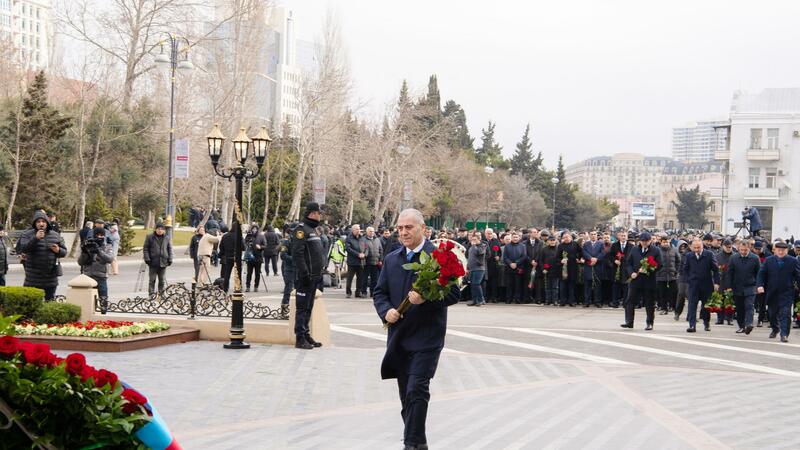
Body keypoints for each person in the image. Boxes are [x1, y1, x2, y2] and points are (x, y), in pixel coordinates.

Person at [372, 209, 460, 450]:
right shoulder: (392, 258)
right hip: (400, 336)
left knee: (416, 389)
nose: (403, 232)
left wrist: (426, 299)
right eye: (400, 228)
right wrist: (386, 310)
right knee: (405, 395)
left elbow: (454, 293)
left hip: (427, 337)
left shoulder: (439, 257)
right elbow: (380, 293)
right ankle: (418, 442)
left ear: (423, 229)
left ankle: (411, 444)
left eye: (408, 227)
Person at [291, 202, 327, 349]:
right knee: (302, 307)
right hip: (305, 277)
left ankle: (306, 334)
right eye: (319, 213)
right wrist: (304, 273)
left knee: (308, 307)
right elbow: (297, 253)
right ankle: (300, 338)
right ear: (312, 213)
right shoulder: (301, 230)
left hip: (315, 276)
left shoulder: (313, 230)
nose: (320, 216)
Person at [15, 211, 67, 300]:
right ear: (35, 223)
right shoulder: (27, 234)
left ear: (47, 222)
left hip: (50, 278)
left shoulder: (55, 235)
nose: (41, 224)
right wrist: (35, 238)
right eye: (38, 222)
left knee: (49, 303)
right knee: (32, 305)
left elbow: (64, 252)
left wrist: (58, 250)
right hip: (33, 279)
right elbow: (23, 249)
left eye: (43, 221)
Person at [757, 241, 800, 342]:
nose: (781, 252)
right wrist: (759, 285)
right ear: (775, 250)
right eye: (779, 250)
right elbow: (761, 274)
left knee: (785, 314)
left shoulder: (793, 261)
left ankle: (784, 334)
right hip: (772, 292)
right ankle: (775, 328)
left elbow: (798, 276)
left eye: (783, 251)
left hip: (787, 292)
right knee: (772, 314)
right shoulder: (768, 260)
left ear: (787, 250)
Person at [621, 232, 662, 330]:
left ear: (650, 241)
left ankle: (649, 323)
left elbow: (660, 265)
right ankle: (629, 321)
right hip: (636, 280)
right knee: (630, 301)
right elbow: (628, 263)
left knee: (649, 303)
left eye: (646, 241)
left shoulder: (656, 250)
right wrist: (631, 273)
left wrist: (648, 269)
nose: (644, 243)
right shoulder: (635, 249)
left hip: (649, 280)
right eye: (642, 241)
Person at [682, 238, 720, 333]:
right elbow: (685, 269)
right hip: (693, 284)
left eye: (698, 247)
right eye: (694, 248)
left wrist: (716, 283)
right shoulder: (689, 255)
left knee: (706, 306)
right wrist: (688, 279)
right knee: (692, 305)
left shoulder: (709, 254)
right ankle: (692, 325)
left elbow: (716, 270)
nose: (697, 249)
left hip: (706, 284)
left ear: (702, 246)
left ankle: (706, 323)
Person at [725, 240, 761, 335]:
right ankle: (741, 326)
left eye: (745, 250)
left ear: (749, 248)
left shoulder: (755, 258)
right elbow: (729, 273)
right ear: (738, 249)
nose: (743, 252)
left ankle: (749, 324)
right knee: (740, 308)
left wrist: (758, 285)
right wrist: (729, 286)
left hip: (750, 286)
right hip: (737, 287)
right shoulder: (733, 258)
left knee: (749, 306)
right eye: (741, 250)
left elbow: (759, 273)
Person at [78, 227, 114, 299]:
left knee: (103, 298)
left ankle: (103, 310)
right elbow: (80, 262)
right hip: (88, 276)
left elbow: (110, 259)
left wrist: (99, 251)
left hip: (101, 276)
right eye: (98, 235)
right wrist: (85, 252)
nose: (100, 237)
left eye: (102, 235)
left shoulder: (107, 246)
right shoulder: (89, 245)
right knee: (88, 299)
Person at [142, 223, 172, 297]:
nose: (160, 230)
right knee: (152, 280)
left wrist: (170, 258)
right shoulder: (150, 237)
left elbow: (169, 249)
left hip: (163, 262)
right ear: (155, 229)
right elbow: (145, 248)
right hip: (153, 262)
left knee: (162, 280)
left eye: (162, 229)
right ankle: (151, 293)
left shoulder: (167, 237)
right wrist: (147, 258)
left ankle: (161, 293)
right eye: (158, 229)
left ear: (164, 230)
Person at [656, 234, 680, 315]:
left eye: (667, 242)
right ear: (661, 242)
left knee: (674, 292)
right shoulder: (658, 250)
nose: (666, 243)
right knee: (662, 293)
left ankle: (673, 307)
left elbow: (678, 261)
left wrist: (676, 270)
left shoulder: (674, 250)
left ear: (670, 241)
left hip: (672, 275)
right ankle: (664, 308)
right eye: (664, 242)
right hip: (661, 275)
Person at [502, 231, 529, 304]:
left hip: (518, 268)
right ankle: (509, 298)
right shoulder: (507, 246)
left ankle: (517, 298)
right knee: (509, 284)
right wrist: (510, 263)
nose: (515, 238)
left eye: (516, 237)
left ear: (519, 238)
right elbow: (505, 257)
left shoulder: (522, 246)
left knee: (518, 285)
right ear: (511, 238)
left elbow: (524, 256)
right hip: (509, 268)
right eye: (514, 237)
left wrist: (516, 263)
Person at [608, 230, 632, 308]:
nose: (623, 237)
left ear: (627, 237)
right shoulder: (614, 245)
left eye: (624, 236)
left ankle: (625, 303)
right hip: (616, 269)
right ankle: (615, 302)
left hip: (626, 270)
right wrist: (615, 260)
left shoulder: (631, 246)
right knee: (615, 287)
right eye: (621, 236)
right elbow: (610, 255)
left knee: (626, 287)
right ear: (619, 237)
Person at [556, 231, 580, 307]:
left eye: (567, 237)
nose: (566, 239)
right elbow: (557, 257)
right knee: (562, 286)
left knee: (571, 286)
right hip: (563, 269)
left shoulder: (575, 244)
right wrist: (561, 260)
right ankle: (563, 301)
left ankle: (571, 301)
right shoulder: (560, 246)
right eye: (564, 237)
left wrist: (578, 258)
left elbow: (580, 252)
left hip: (573, 267)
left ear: (571, 237)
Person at [581, 231, 603, 307]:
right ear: (589, 236)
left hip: (597, 266)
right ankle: (587, 301)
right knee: (587, 285)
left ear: (597, 236)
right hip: (588, 266)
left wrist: (596, 259)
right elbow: (584, 252)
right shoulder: (586, 244)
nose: (593, 236)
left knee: (597, 285)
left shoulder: (601, 244)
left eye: (594, 234)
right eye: (592, 234)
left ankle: (597, 301)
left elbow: (602, 253)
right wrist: (590, 258)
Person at [345, 224, 368, 298]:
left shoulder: (363, 238)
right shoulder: (349, 238)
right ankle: (348, 292)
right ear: (353, 230)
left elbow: (366, 247)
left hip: (361, 261)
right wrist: (358, 254)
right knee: (350, 278)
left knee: (360, 278)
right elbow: (348, 249)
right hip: (352, 262)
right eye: (357, 229)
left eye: (359, 229)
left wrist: (365, 254)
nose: (358, 230)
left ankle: (358, 292)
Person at [466, 231, 487, 306]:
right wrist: (467, 268)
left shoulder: (483, 246)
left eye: (475, 240)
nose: (473, 241)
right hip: (472, 269)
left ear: (479, 240)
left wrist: (474, 246)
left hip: (479, 268)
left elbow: (480, 253)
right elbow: (469, 258)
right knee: (472, 285)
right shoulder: (471, 248)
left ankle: (481, 300)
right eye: (472, 240)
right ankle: (475, 300)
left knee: (476, 284)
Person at [244, 224, 266, 292]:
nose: (254, 230)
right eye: (253, 229)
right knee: (249, 273)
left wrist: (260, 247)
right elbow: (244, 244)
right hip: (250, 258)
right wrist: (248, 244)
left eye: (255, 229)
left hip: (258, 257)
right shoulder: (248, 236)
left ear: (257, 229)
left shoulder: (261, 236)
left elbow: (265, 245)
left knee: (257, 273)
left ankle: (256, 286)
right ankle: (248, 286)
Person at [279, 228, 294, 317]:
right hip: (289, 269)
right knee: (288, 288)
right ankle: (285, 307)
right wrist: (294, 259)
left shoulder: (299, 243)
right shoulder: (286, 243)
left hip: (298, 269)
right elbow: (283, 255)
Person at [364, 226, 383, 297]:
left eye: (373, 231)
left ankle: (373, 293)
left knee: (374, 280)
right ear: (367, 232)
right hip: (367, 263)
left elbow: (381, 250)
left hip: (376, 263)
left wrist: (380, 260)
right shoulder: (363, 240)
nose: (372, 233)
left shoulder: (377, 240)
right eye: (370, 231)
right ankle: (364, 292)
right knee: (364, 279)